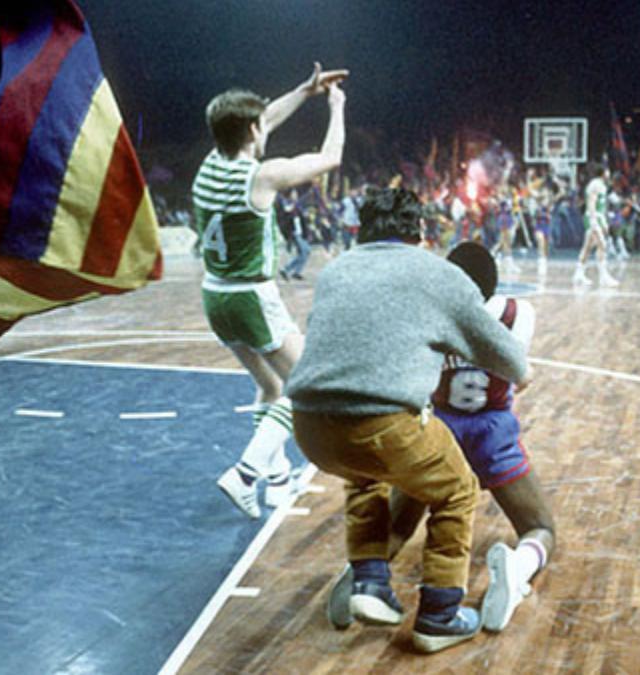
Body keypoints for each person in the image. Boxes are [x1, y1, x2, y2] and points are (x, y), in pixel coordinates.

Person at [285, 188, 531, 653]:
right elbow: (510, 358)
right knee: (457, 489)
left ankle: (371, 582)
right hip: (381, 422)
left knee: (363, 477)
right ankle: (438, 616)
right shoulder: (438, 274)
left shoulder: (335, 270)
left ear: (364, 229)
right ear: (420, 232)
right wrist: (524, 373)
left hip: (310, 425)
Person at [326, 241, 555, 636]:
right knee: (539, 527)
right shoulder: (519, 313)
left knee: (399, 527)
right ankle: (517, 569)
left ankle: (361, 576)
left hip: (439, 430)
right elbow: (521, 374)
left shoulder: (428, 315)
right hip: (492, 429)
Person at [193, 63, 347, 518]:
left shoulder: (210, 164)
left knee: (269, 384)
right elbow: (330, 158)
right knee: (306, 384)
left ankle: (277, 481)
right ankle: (245, 474)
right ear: (253, 129)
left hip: (214, 296)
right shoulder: (261, 177)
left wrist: (303, 89)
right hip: (250, 297)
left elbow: (267, 118)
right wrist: (335, 106)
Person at [572, 165, 619, 286]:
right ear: (603, 172)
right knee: (602, 245)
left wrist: (603, 221)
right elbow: (591, 203)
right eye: (607, 170)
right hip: (592, 218)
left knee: (587, 248)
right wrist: (593, 221)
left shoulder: (603, 185)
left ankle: (578, 274)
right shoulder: (595, 184)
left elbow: (601, 206)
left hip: (598, 217)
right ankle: (604, 277)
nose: (609, 173)